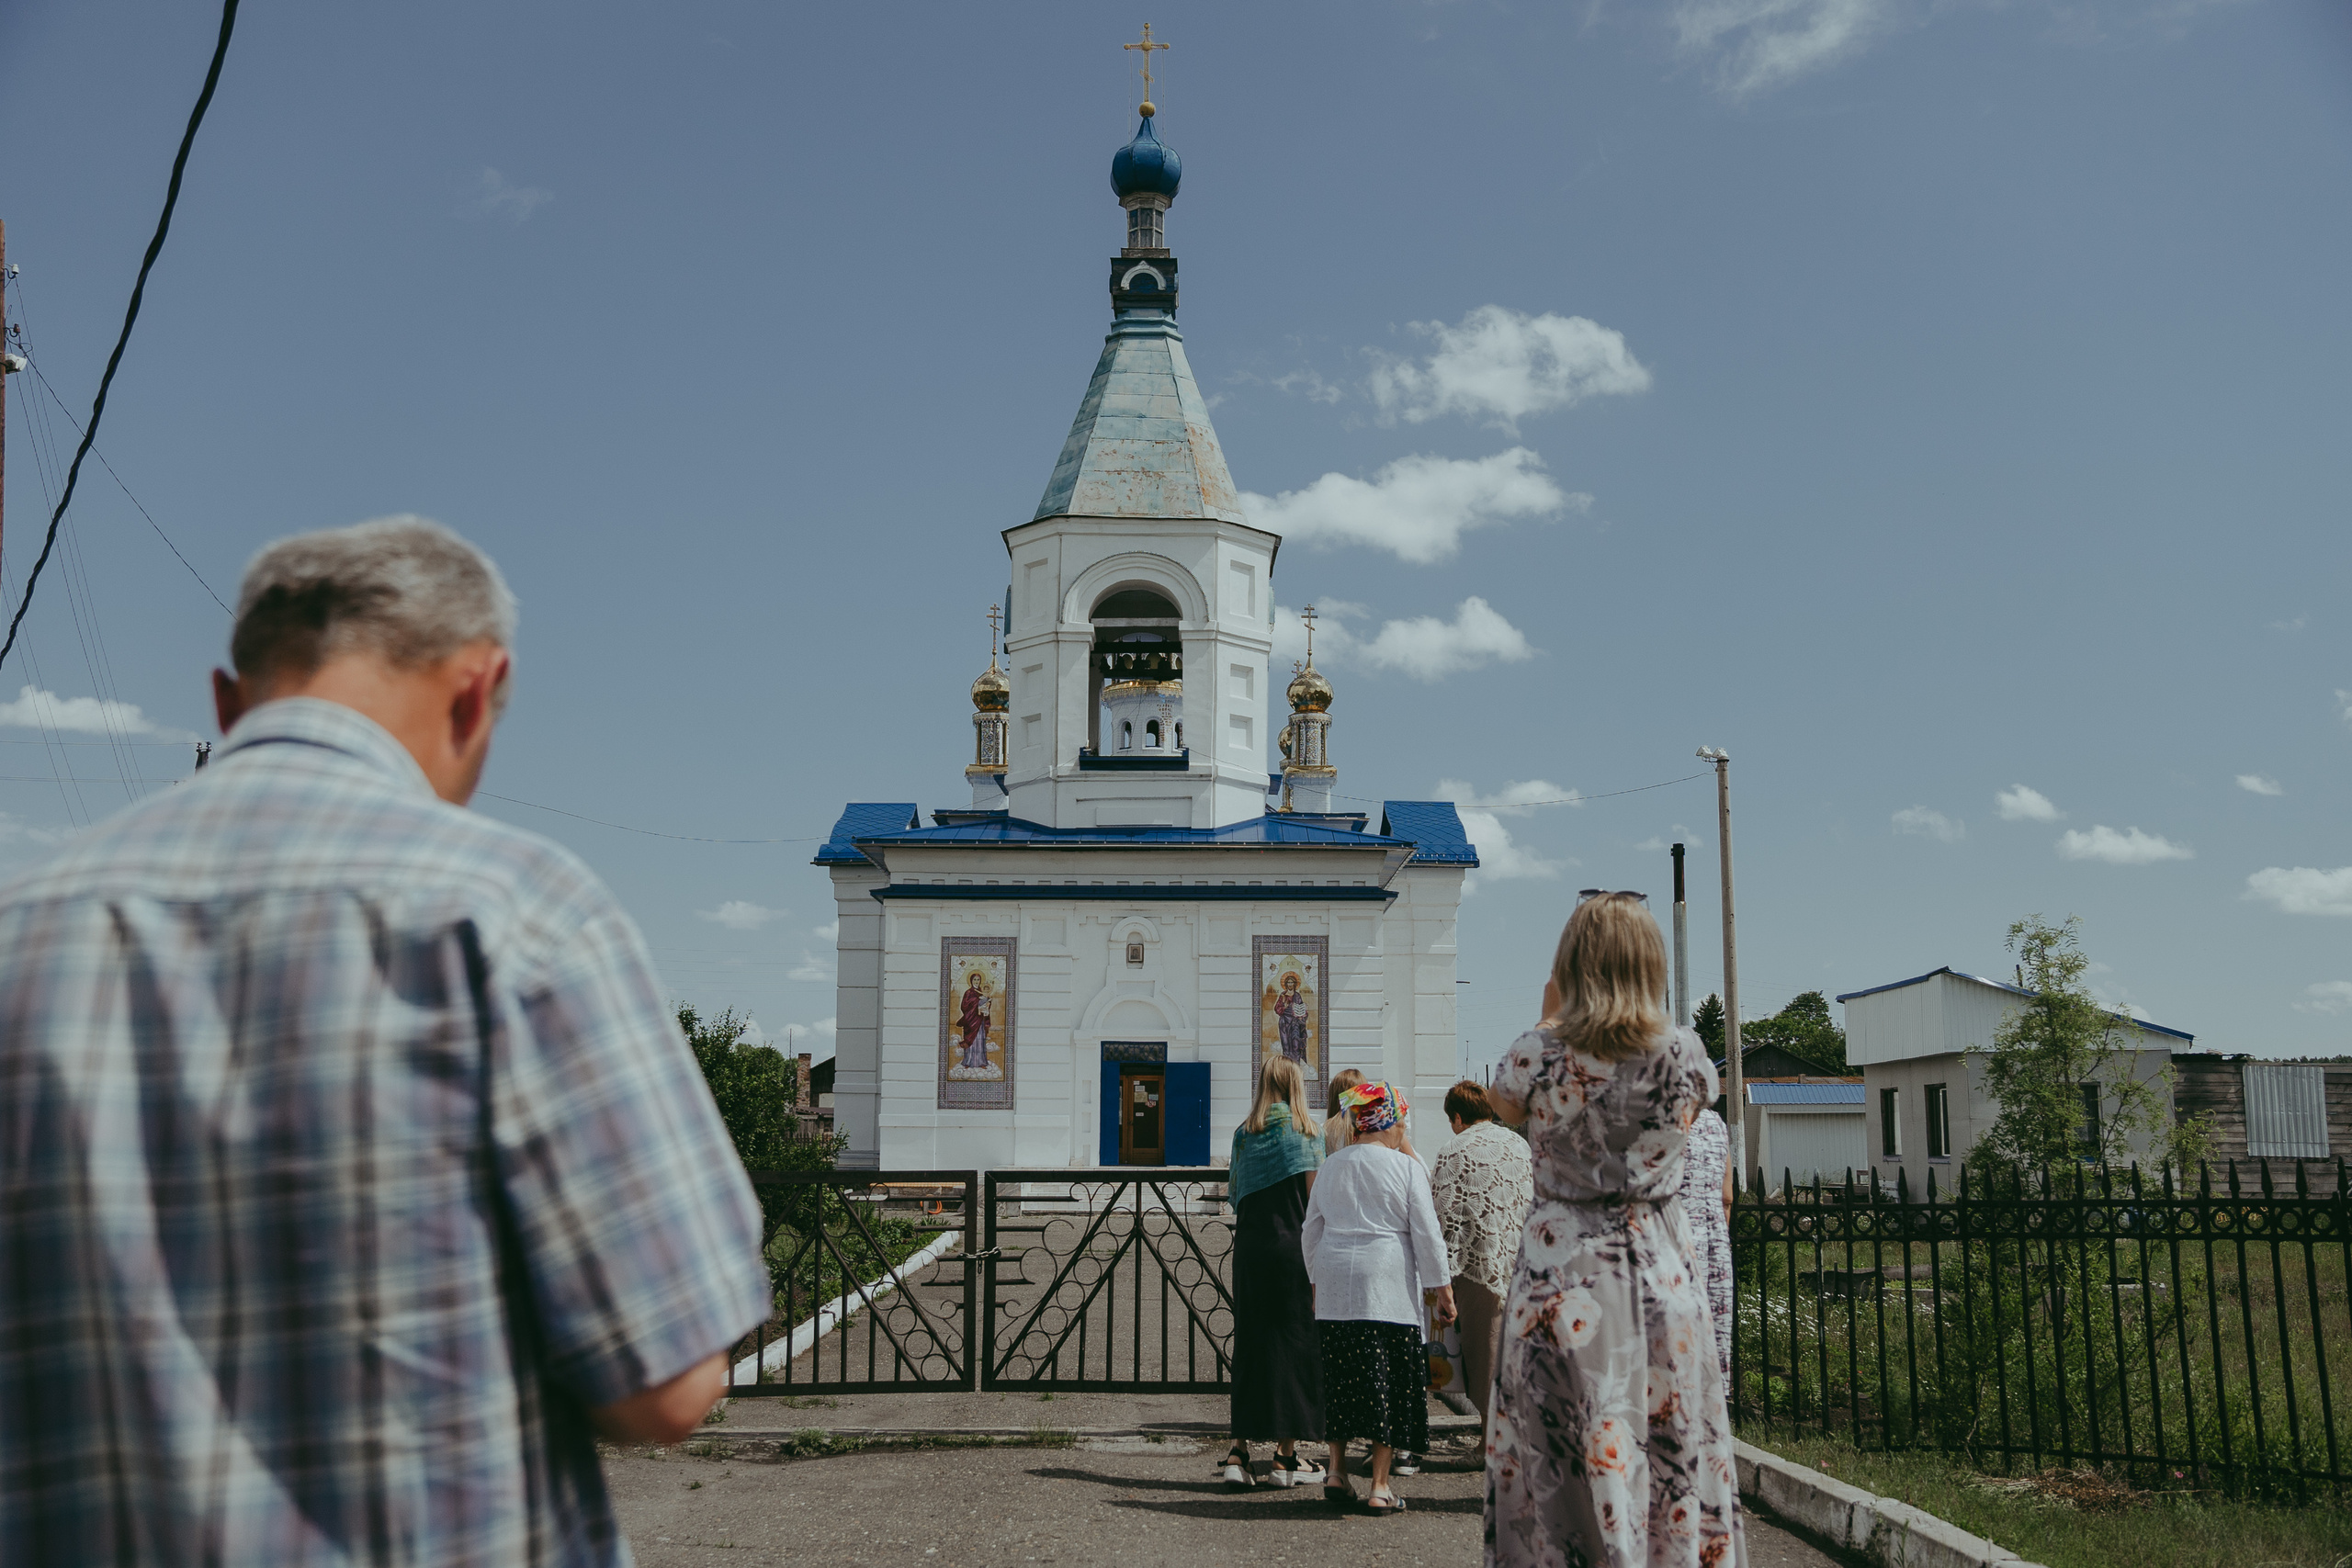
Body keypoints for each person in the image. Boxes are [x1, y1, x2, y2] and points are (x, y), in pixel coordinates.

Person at [0, 517, 769, 1566]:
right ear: (475, 691)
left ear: (227, 702)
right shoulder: (514, 911)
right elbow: (666, 1389)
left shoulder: (21, 930)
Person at [1484, 893, 1746, 1568]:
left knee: (1560, 1464)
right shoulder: (1684, 1054)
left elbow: (1500, 1102)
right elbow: (1698, 1101)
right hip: (1659, 1273)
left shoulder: (1537, 1051)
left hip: (1561, 1277)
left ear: (1571, 962)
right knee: (1670, 1456)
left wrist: (1550, 1013)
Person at [1302, 1081, 1454, 1516]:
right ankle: (1381, 1486)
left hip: (1335, 1283)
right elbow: (1427, 1233)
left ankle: (1335, 1470)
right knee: (1387, 1380)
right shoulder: (1405, 1168)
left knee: (1341, 1376)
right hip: (1386, 1285)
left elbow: (1310, 1230)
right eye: (1401, 1121)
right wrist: (1441, 1289)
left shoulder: (1331, 1165)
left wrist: (1317, 1280)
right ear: (1390, 1123)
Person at [1220, 1055, 1327, 1490]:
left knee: (1250, 1344)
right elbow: (1315, 1205)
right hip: (1292, 1252)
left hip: (1250, 1249)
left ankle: (1238, 1450)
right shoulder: (1307, 1134)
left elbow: (1234, 1194)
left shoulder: (1243, 1136)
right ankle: (1285, 1457)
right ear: (1296, 1084)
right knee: (1295, 1347)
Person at [1430, 1078, 1533, 1440]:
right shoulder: (1519, 1145)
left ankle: (1492, 1446)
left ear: (1457, 1117)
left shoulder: (1453, 1149)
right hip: (1522, 1262)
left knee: (1484, 1355)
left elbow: (1441, 1214)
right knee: (1516, 1354)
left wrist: (1441, 1271)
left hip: (1478, 1265)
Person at [1679, 1106, 1736, 1386]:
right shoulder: (1716, 1122)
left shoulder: (1659, 1118)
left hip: (1674, 1244)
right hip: (1715, 1249)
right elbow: (1727, 1197)